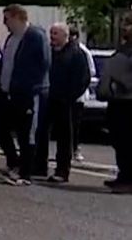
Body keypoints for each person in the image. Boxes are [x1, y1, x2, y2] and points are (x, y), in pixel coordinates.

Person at [0, 4, 51, 186]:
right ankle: (14, 162)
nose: (5, 23)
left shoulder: (35, 36)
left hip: (26, 93)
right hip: (6, 91)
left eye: (7, 19)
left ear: (18, 17)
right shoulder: (11, 38)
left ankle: (25, 173)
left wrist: (31, 87)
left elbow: (44, 63)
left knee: (26, 133)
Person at [33, 23, 90, 183]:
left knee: (65, 137)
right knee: (42, 132)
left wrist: (69, 96)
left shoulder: (76, 53)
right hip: (47, 97)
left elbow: (83, 79)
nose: (52, 37)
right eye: (51, 33)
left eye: (56, 33)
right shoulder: (49, 52)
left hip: (66, 101)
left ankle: (62, 171)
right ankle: (39, 166)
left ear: (65, 35)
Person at [97, 13, 132, 192]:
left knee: (128, 141)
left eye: (128, 24)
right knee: (119, 140)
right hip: (116, 101)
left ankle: (128, 180)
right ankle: (123, 175)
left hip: (128, 101)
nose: (124, 28)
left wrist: (123, 83)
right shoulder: (124, 47)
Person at [72, 28, 95, 163]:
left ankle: (75, 149)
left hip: (78, 95)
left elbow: (91, 71)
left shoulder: (83, 51)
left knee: (75, 124)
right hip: (64, 94)